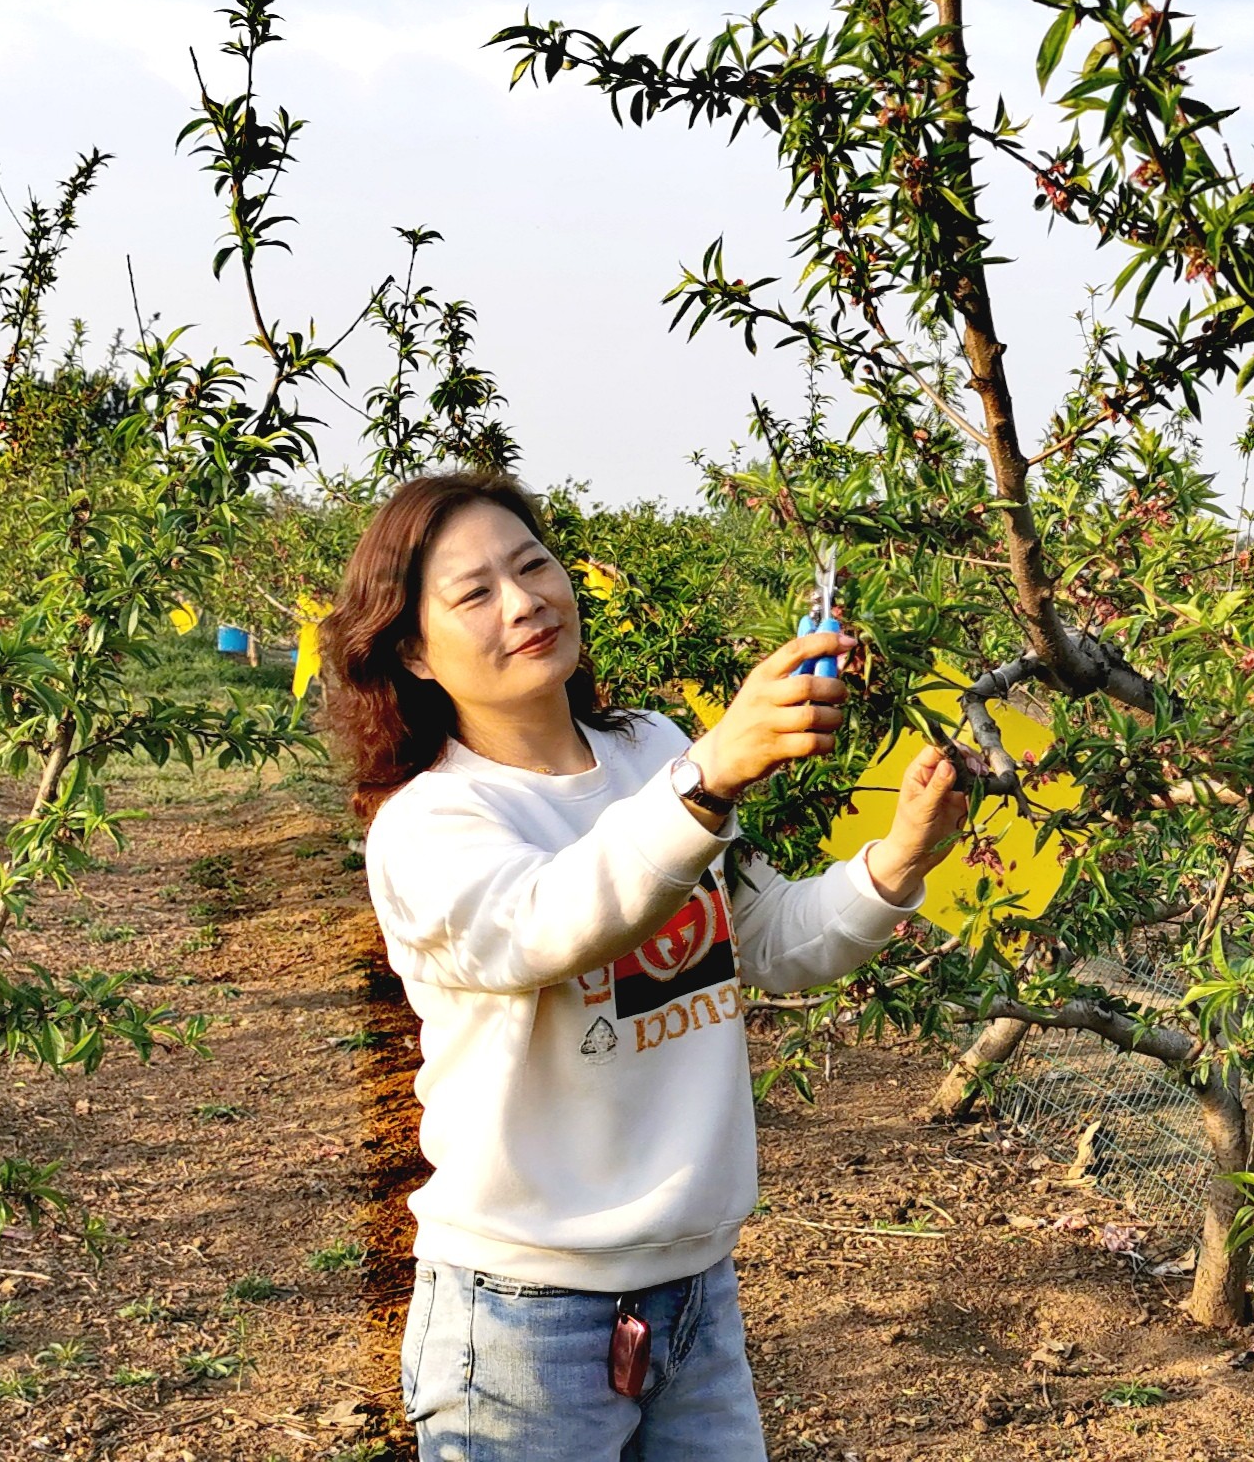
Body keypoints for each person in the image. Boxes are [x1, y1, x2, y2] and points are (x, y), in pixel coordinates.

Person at [318, 472, 973, 1460]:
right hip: (522, 1321)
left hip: (693, 1298)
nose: (524, 600)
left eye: (533, 565)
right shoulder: (432, 823)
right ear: (411, 648)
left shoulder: (649, 753)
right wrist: (709, 776)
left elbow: (770, 941)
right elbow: (548, 925)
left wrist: (900, 857)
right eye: (475, 592)